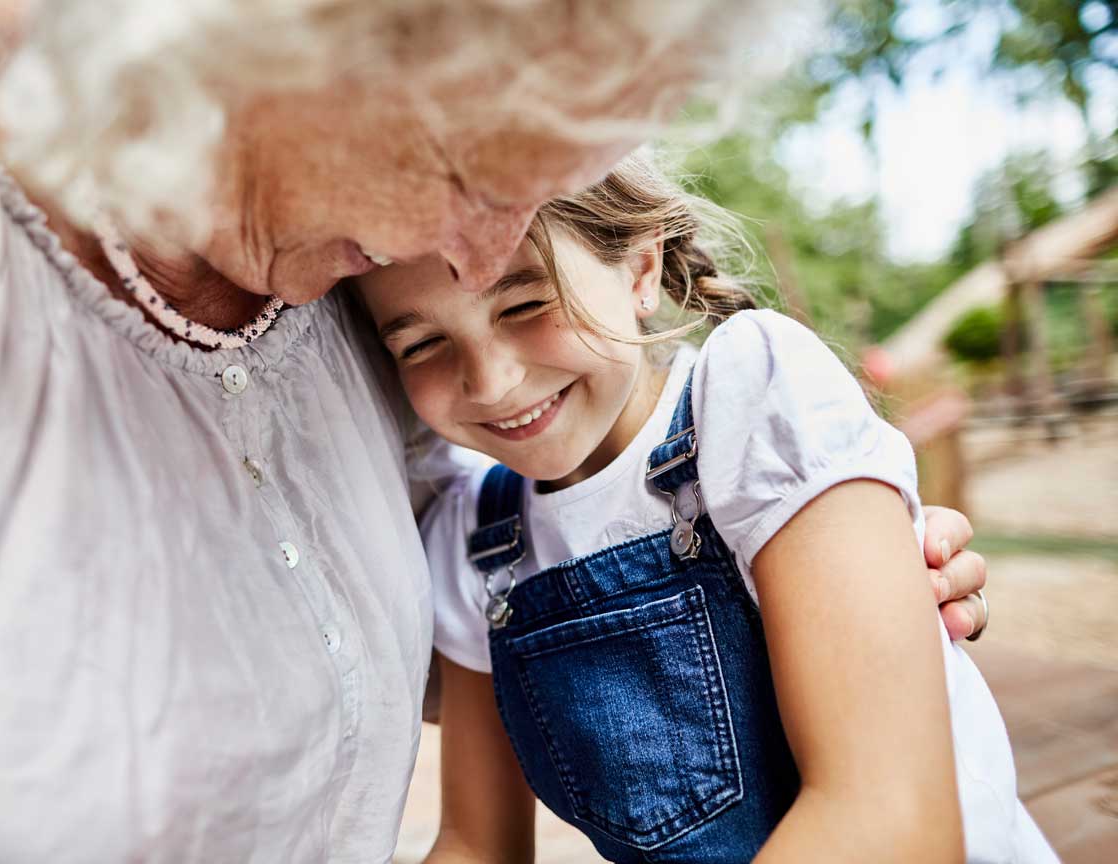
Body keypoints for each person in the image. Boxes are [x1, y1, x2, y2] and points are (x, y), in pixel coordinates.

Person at [0, 1, 992, 860]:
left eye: (540, 198)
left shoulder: (343, 268)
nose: (474, 257)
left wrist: (826, 589)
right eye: (471, 168)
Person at [356, 155, 1052, 862]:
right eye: (421, 344)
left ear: (640, 271)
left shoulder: (754, 394)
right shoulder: (476, 543)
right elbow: (477, 845)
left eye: (526, 303)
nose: (490, 380)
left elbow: (889, 821)